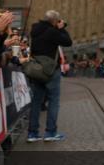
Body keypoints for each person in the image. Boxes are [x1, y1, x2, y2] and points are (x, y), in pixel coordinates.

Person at [27, 10, 73, 142]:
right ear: (54, 21)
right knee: (53, 100)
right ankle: (50, 132)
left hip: (37, 69)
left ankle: (32, 133)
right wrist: (62, 29)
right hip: (51, 69)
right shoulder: (53, 32)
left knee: (36, 101)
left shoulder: (34, 30)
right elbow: (68, 42)